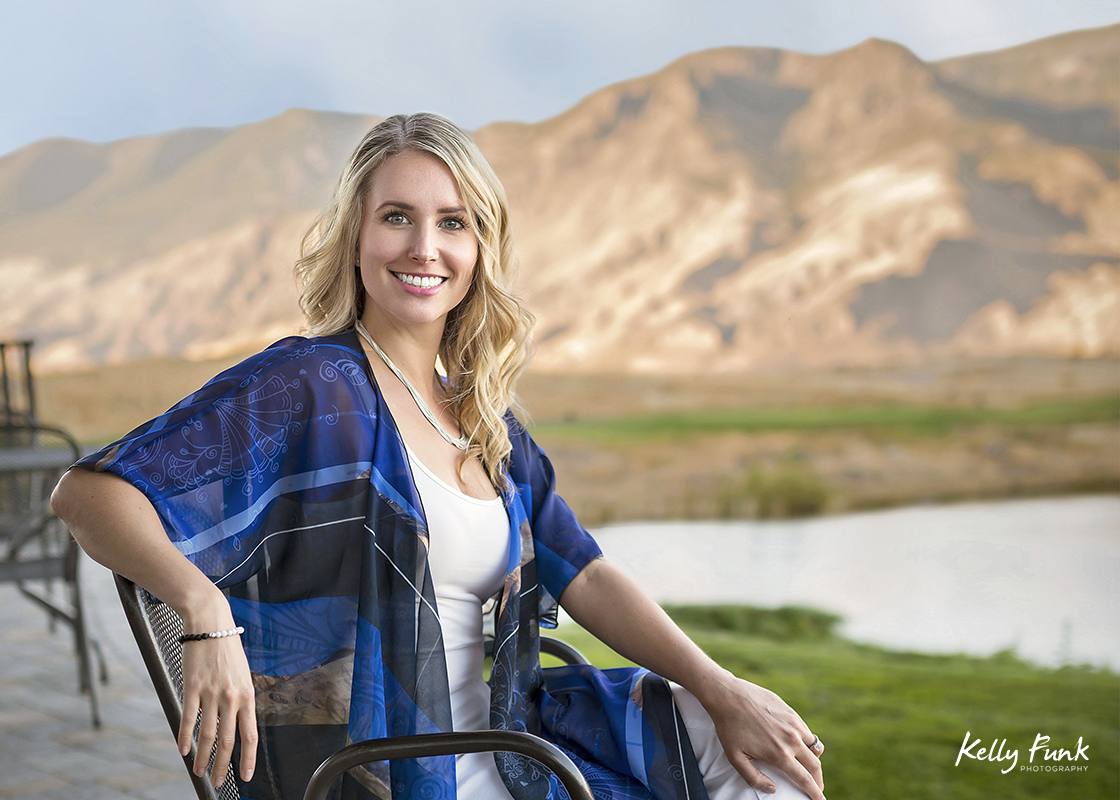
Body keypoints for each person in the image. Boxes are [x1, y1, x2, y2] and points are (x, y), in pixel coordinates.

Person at [52, 112, 825, 800]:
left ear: (480, 246)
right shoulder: (313, 383)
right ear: (356, 235)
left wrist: (721, 686)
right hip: (397, 765)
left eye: (452, 222)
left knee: (756, 754)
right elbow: (87, 495)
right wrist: (204, 610)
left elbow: (581, 569)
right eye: (397, 217)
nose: (425, 248)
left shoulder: (484, 416)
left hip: (512, 741)